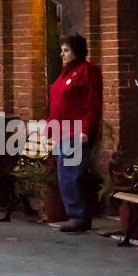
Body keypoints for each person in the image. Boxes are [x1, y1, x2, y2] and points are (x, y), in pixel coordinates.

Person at [48, 33, 103, 233]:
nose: (61, 53)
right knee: (67, 173)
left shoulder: (87, 71)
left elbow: (92, 103)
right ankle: (78, 215)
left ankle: (78, 217)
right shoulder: (65, 73)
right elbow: (58, 104)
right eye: (61, 49)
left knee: (68, 172)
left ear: (77, 52)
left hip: (77, 131)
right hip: (62, 131)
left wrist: (87, 129)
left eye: (66, 50)